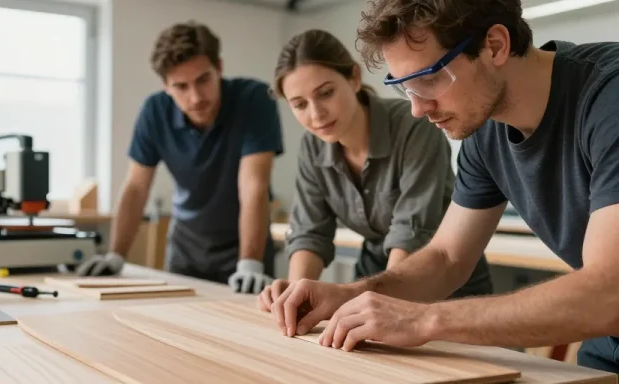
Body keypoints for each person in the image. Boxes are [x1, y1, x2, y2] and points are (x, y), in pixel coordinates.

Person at [269, 0, 619, 374]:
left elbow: (609, 294)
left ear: (495, 45)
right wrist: (349, 295)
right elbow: (447, 258)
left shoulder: (609, 97)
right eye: (405, 87)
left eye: (428, 79)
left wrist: (423, 319)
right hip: (606, 349)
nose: (417, 109)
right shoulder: (485, 133)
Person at [257, 29, 493, 312]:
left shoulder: (413, 126)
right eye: (299, 105)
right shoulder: (313, 146)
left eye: (326, 93)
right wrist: (296, 296)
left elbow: (410, 231)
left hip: (444, 288)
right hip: (373, 278)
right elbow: (310, 232)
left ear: (354, 78)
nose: (316, 114)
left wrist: (383, 306)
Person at [77, 21, 284, 294]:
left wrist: (250, 263)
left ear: (219, 68)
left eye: (203, 80)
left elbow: (253, 186)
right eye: (181, 86)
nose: (195, 97)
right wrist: (115, 255)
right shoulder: (154, 111)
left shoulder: (254, 99)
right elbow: (136, 188)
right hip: (186, 248)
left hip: (245, 247)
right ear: (166, 85)